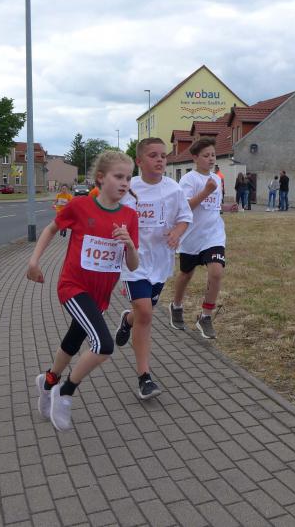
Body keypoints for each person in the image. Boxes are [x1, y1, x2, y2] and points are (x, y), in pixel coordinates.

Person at [28, 150, 139, 432]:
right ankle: (65, 392)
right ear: (101, 178)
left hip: (100, 295)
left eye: (128, 178)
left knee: (73, 340)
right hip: (73, 287)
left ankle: (48, 381)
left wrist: (129, 245)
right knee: (103, 345)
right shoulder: (80, 206)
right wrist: (34, 261)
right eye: (118, 176)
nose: (125, 183)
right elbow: (51, 229)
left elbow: (133, 264)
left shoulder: (129, 216)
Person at [113, 137, 192, 400]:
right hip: (133, 261)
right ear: (139, 161)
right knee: (146, 313)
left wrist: (177, 232)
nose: (160, 160)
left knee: (142, 313)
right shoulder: (129, 188)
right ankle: (144, 377)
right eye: (153, 155)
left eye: (163, 155)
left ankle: (127, 320)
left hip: (160, 262)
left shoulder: (174, 189)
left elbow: (185, 217)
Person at [170, 137, 226, 339]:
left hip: (213, 235)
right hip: (192, 237)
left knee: (216, 272)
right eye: (206, 155)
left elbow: (214, 207)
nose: (211, 159)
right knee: (186, 274)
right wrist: (206, 191)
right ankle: (176, 305)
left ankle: (206, 316)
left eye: (213, 155)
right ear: (195, 158)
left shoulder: (217, 179)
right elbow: (185, 207)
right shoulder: (189, 180)